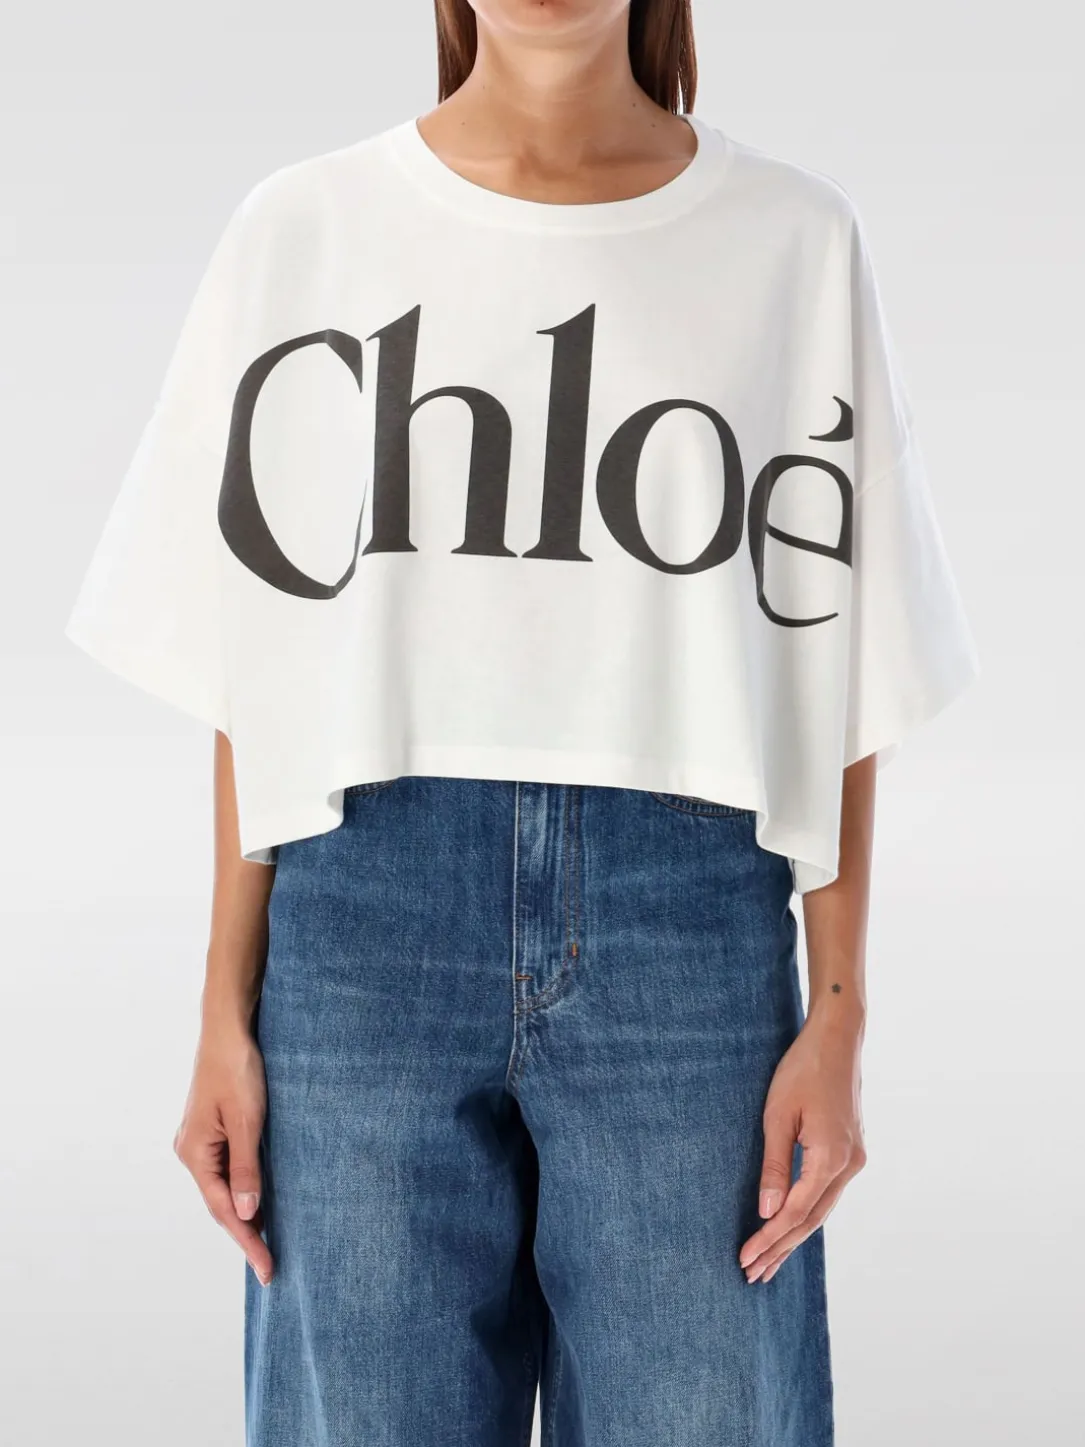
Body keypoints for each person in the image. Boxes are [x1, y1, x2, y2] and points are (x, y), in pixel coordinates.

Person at [63, 2, 981, 1443]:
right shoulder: (304, 229)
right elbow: (265, 657)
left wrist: (841, 1007)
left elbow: (837, 647)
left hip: (690, 933)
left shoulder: (792, 240)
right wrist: (221, 1009)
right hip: (359, 928)